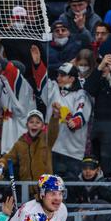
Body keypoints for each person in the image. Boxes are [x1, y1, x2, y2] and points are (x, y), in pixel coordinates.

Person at [31, 46, 92, 180]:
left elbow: (81, 115)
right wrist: (37, 64)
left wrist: (74, 120)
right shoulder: (53, 89)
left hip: (72, 152)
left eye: (62, 75)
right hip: (52, 148)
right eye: (58, 74)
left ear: (72, 79)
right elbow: (41, 81)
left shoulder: (81, 94)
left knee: (70, 186)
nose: (58, 77)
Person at [0, 110, 59, 184]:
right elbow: (9, 157)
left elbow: (53, 131)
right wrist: (1, 163)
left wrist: (55, 117)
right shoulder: (19, 144)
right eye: (31, 122)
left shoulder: (47, 140)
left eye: (38, 122)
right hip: (26, 188)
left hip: (45, 188)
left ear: (42, 126)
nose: (34, 124)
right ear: (26, 125)